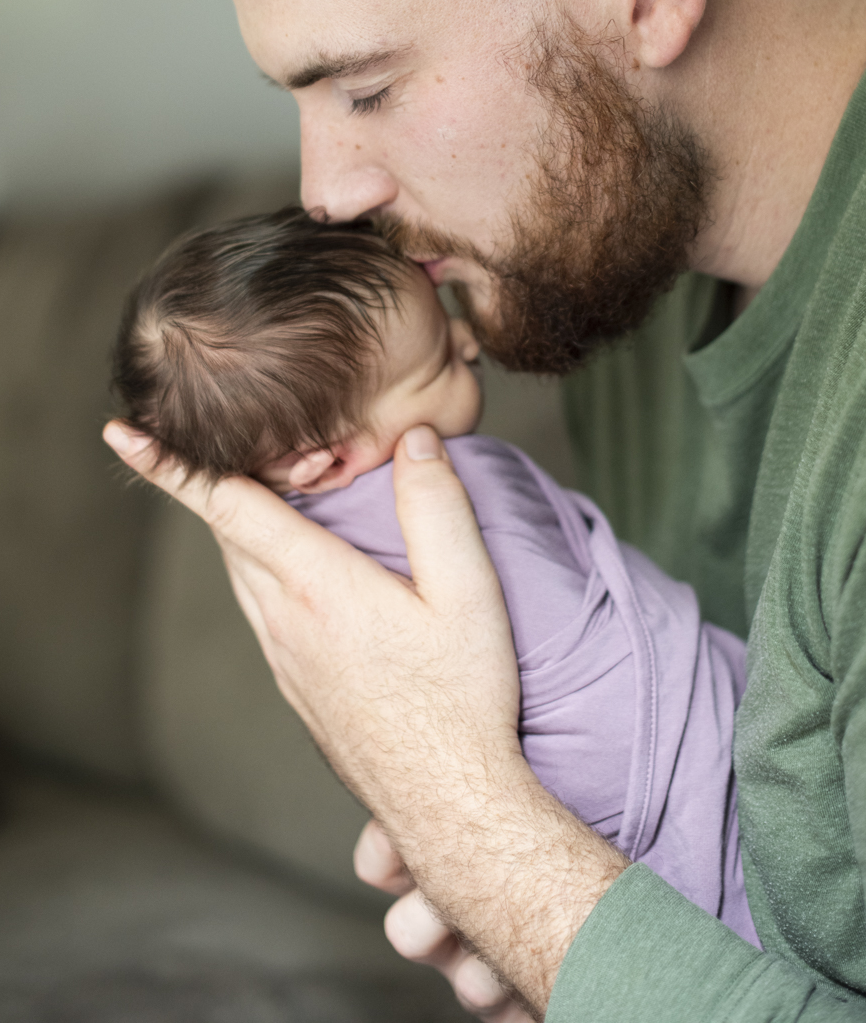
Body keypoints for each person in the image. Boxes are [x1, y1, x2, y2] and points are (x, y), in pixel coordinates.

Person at [104, 0, 866, 1020]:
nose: (326, 193)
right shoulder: (613, 277)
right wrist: (566, 943)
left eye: (364, 86)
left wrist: (477, 832)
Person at [110, 208, 756, 942]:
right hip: (632, 753)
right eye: (439, 364)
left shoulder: (301, 552)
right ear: (327, 461)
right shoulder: (448, 480)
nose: (469, 340)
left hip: (572, 813)